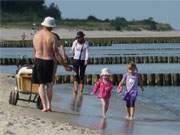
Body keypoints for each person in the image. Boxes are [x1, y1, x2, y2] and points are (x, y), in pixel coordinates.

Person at [32, 16, 72, 112]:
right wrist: (65, 66)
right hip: (48, 61)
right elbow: (56, 54)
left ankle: (44, 106)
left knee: (41, 85)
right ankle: (49, 106)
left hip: (38, 60)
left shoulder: (36, 35)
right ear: (51, 26)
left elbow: (34, 51)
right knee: (49, 84)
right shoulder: (52, 37)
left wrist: (35, 62)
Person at [71, 31, 89, 95]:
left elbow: (87, 52)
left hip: (83, 60)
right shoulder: (75, 42)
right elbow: (72, 50)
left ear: (82, 37)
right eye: (78, 37)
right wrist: (74, 44)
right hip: (75, 60)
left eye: (80, 37)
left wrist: (86, 60)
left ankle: (81, 91)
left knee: (82, 75)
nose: (78, 38)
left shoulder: (86, 43)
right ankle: (75, 90)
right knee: (76, 75)